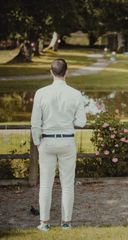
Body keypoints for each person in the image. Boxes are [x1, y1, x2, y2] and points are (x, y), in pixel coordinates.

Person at [31, 59, 86, 231]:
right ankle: (66, 223)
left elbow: (35, 123)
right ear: (66, 72)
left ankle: (44, 223)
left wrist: (38, 142)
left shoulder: (41, 93)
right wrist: (69, 120)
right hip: (67, 140)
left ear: (51, 72)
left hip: (47, 141)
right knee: (67, 184)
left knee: (46, 184)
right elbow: (82, 122)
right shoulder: (76, 94)